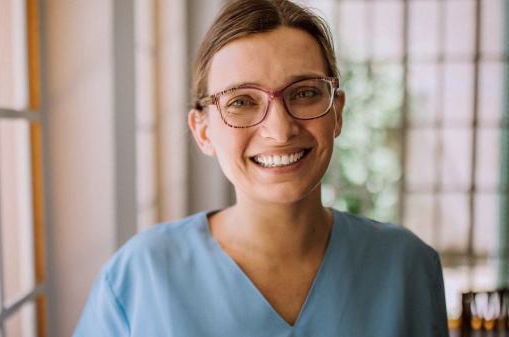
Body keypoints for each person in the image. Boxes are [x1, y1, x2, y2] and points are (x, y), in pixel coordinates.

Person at [73, 0, 449, 336]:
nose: (280, 129)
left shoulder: (407, 266)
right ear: (202, 131)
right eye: (241, 101)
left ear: (337, 112)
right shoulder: (140, 276)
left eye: (304, 93)